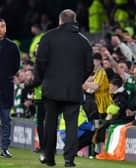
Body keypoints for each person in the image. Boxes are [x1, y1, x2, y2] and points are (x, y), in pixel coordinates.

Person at [34, 9, 93, 167]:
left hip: (51, 88)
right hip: (73, 90)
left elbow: (40, 63)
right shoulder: (84, 41)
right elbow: (89, 68)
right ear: (74, 21)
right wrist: (77, 81)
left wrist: (42, 80)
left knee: (50, 123)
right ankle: (69, 160)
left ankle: (49, 157)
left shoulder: (48, 37)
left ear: (60, 21)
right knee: (71, 125)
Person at [0, 18, 20, 157]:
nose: (1, 29)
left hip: (5, 88)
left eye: (2, 26)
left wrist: (6, 76)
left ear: (5, 28)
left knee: (6, 120)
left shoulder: (12, 46)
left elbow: (16, 66)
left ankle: (4, 148)